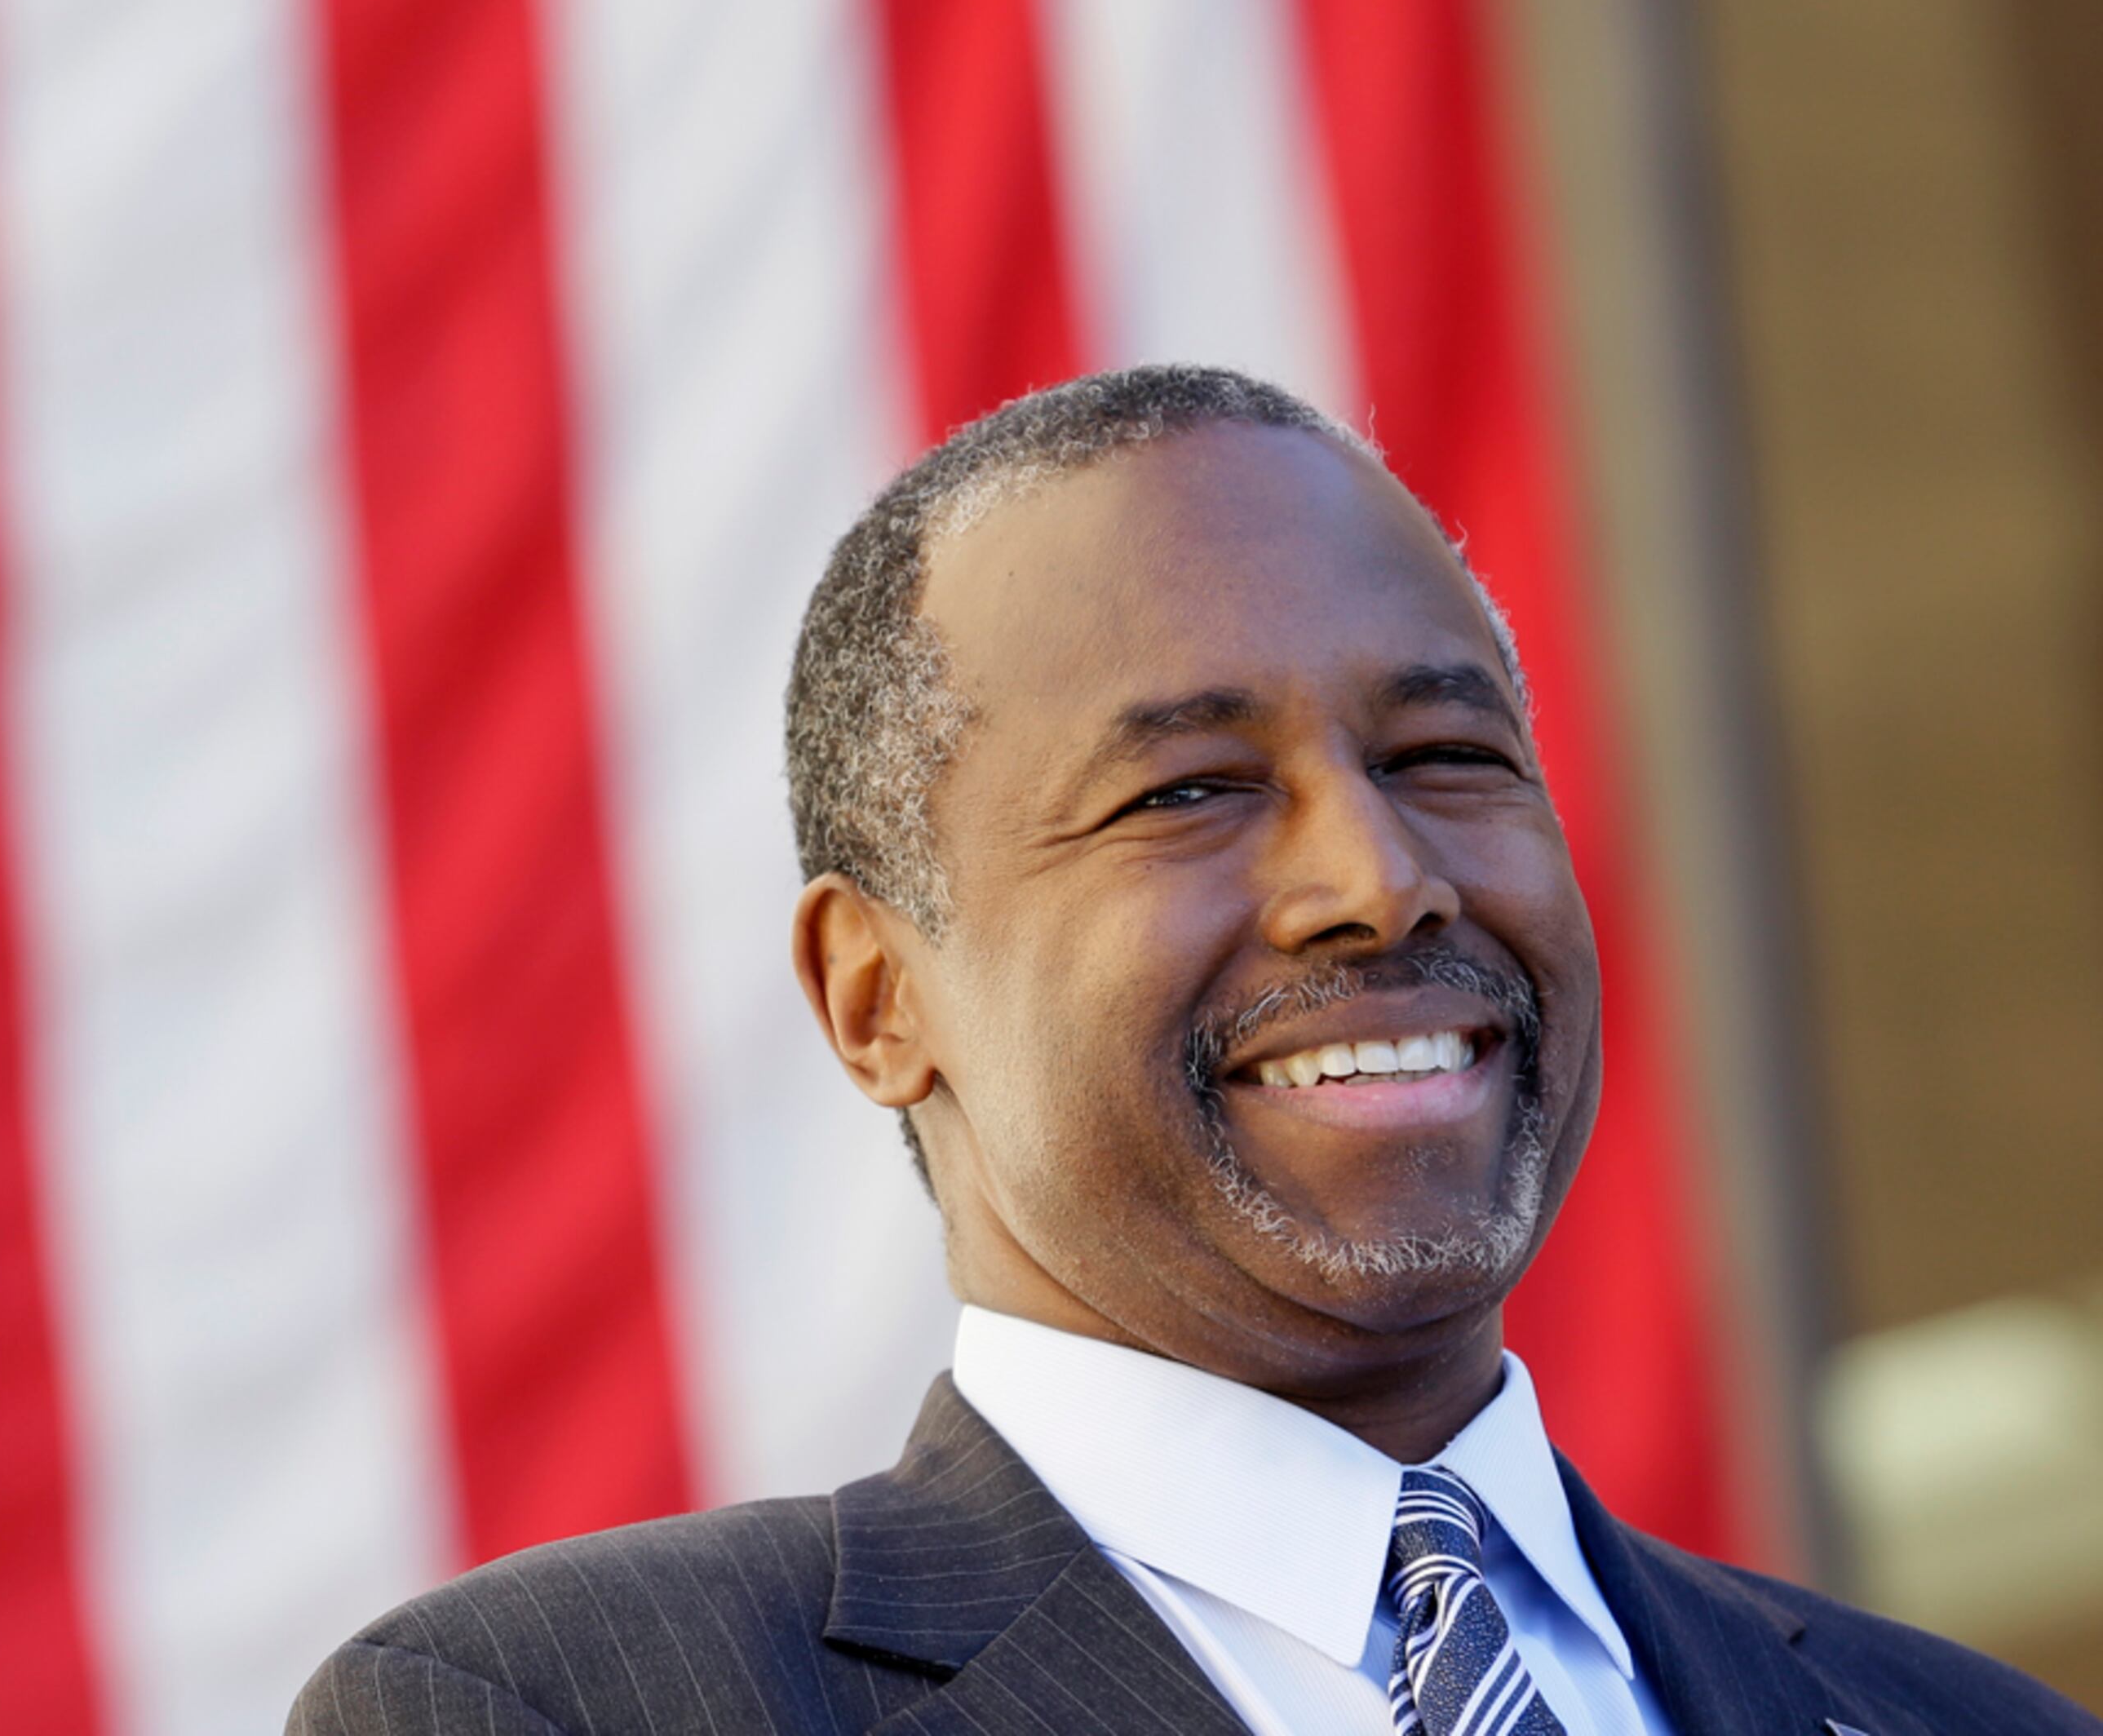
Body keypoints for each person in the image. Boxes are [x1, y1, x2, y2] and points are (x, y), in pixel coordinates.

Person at [286, 365, 2100, 1736]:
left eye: (1446, 759)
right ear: (875, 997)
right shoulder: (562, 1709)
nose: (1379, 882)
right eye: (1193, 790)